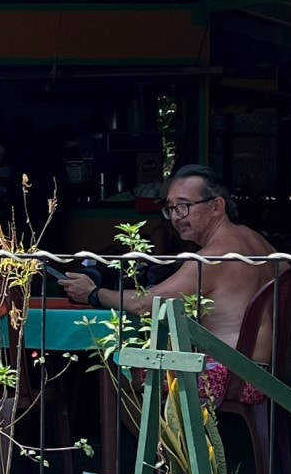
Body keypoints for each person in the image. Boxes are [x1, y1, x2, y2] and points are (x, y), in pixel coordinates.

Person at [59, 167, 276, 404]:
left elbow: (145, 304)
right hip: (260, 371)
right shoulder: (255, 240)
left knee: (118, 372)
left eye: (183, 206)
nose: (175, 217)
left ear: (216, 207)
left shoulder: (210, 258)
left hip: (229, 375)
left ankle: (159, 442)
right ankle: (170, 440)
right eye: (170, 208)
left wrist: (93, 293)